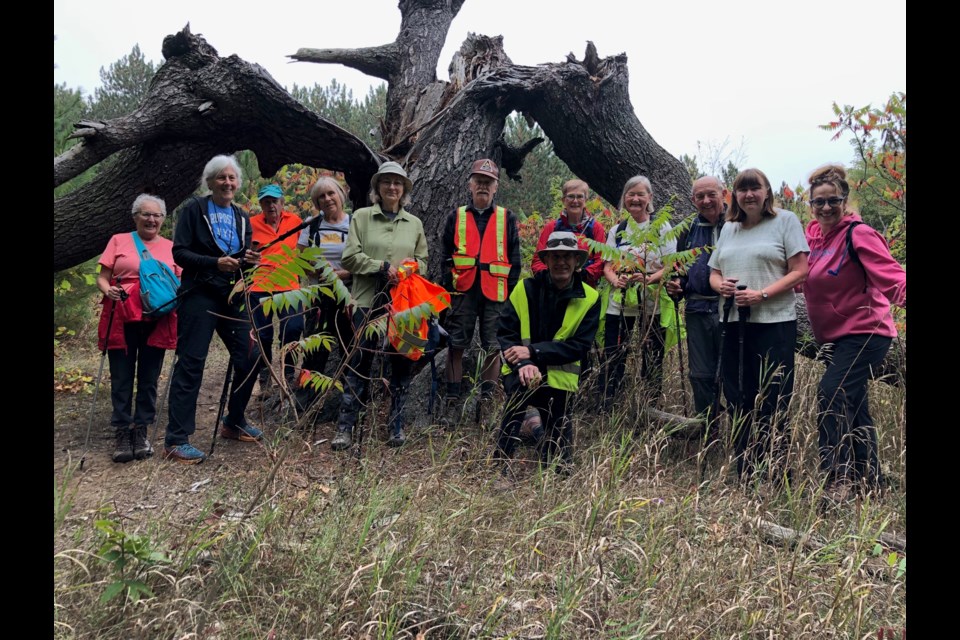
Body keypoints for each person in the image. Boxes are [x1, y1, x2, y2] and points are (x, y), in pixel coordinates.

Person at [802, 164, 906, 497]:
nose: (827, 207)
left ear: (845, 200)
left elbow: (893, 278)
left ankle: (838, 480)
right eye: (819, 202)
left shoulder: (858, 233)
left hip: (866, 332)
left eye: (834, 200)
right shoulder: (812, 236)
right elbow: (801, 274)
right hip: (836, 335)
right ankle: (871, 478)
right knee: (854, 403)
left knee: (831, 392)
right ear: (811, 205)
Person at [708, 168, 809, 484]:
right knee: (738, 396)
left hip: (774, 323)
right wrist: (720, 286)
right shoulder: (729, 228)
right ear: (734, 195)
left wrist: (762, 294)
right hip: (734, 323)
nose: (749, 194)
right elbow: (714, 271)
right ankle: (743, 467)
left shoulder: (785, 221)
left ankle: (777, 471)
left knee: (774, 397)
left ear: (767, 192)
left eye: (756, 188)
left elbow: (801, 270)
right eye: (742, 189)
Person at [163, 155, 265, 464]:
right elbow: (179, 252)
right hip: (199, 295)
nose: (228, 183)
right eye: (222, 177)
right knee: (191, 362)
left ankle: (233, 421)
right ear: (210, 182)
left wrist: (249, 263)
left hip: (231, 295)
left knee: (252, 355)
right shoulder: (194, 210)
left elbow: (242, 258)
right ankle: (177, 438)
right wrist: (214, 263)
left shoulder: (241, 216)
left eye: (232, 178)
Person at [331, 161, 429, 451]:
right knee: (359, 362)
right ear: (378, 187)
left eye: (398, 183)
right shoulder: (361, 217)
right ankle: (345, 427)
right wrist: (380, 267)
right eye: (386, 182)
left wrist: (408, 269)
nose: (392, 187)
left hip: (404, 305)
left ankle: (395, 425)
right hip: (365, 301)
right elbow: (349, 258)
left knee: (401, 362)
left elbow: (423, 261)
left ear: (404, 190)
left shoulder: (414, 224)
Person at [494, 231, 600, 481]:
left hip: (560, 377)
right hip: (520, 370)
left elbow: (579, 347)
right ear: (546, 259)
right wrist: (525, 363)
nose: (561, 262)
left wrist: (533, 352)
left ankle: (545, 443)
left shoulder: (591, 298)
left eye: (567, 257)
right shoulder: (524, 288)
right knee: (515, 405)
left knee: (561, 464)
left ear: (577, 262)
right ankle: (500, 468)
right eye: (555, 256)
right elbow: (505, 331)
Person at [96, 194, 180, 463]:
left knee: (149, 377)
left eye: (157, 215)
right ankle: (122, 431)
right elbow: (102, 277)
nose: (151, 219)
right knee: (121, 375)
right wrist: (108, 291)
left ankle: (141, 430)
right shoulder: (118, 240)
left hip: (158, 318)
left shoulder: (171, 247)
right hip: (121, 316)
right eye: (146, 214)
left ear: (163, 220)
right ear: (135, 217)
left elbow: (179, 282)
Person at [439, 158, 522, 427]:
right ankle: (452, 402)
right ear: (470, 184)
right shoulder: (457, 216)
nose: (483, 186)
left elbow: (515, 259)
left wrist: (507, 292)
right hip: (462, 290)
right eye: (479, 181)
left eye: (488, 182)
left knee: (493, 348)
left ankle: (485, 404)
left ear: (496, 186)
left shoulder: (507, 218)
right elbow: (445, 255)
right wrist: (448, 290)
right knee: (456, 345)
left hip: (495, 292)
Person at [599, 175, 676, 407]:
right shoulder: (617, 230)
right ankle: (609, 401)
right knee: (614, 353)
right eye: (630, 194)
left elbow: (671, 264)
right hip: (619, 303)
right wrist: (615, 280)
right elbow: (607, 265)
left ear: (649, 198)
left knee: (652, 355)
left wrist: (649, 278)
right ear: (624, 198)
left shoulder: (661, 227)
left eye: (640, 194)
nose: (635, 199)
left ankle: (650, 403)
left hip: (651, 304)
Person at [666, 176, 727, 429]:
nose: (706, 200)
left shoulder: (738, 224)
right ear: (693, 200)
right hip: (697, 309)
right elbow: (678, 271)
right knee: (701, 375)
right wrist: (676, 287)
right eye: (700, 197)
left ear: (723, 193)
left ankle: (740, 434)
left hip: (732, 310)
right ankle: (708, 430)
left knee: (733, 373)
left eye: (711, 194)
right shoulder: (688, 229)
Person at [295, 177, 353, 411]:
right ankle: (306, 402)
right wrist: (317, 272)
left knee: (348, 346)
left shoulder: (355, 223)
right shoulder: (311, 224)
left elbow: (363, 258)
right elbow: (299, 258)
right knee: (314, 348)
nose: (328, 199)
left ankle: (349, 400)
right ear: (316, 202)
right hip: (317, 295)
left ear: (341, 195)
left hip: (348, 293)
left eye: (331, 193)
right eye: (322, 196)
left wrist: (344, 274)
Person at [249, 184, 306, 391]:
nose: (270, 205)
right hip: (259, 286)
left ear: (282, 203)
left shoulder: (296, 222)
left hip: (289, 284)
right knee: (262, 335)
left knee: (293, 327)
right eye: (266, 201)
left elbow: (305, 248)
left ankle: (288, 372)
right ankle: (265, 377)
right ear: (261, 205)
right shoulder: (251, 224)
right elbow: (244, 252)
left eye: (274, 201)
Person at [532, 179, 607, 287]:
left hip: (585, 287)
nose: (575, 201)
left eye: (580, 196)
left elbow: (601, 261)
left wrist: (584, 274)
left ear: (586, 200)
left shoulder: (595, 228)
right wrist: (548, 277)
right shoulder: (552, 227)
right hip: (553, 286)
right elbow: (538, 260)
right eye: (571, 196)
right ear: (563, 200)